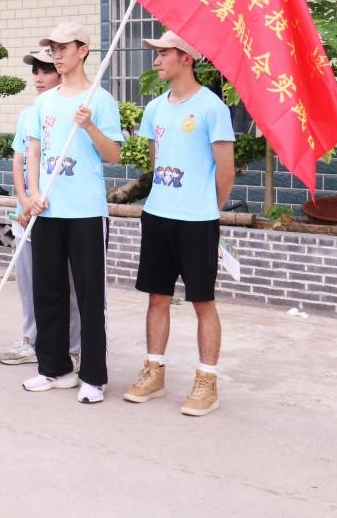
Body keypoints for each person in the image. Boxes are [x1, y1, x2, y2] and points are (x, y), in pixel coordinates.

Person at [124, 31, 235, 416]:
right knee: (157, 297)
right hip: (158, 216)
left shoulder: (212, 107)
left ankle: (207, 382)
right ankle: (153, 372)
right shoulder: (155, 108)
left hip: (197, 221)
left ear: (186, 57)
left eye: (164, 53)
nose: (156, 60)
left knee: (203, 301)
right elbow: (157, 162)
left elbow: (226, 171)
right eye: (156, 53)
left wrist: (207, 207)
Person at [23, 23, 123, 404]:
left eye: (63, 47)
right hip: (48, 211)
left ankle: (94, 376)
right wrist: (34, 193)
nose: (56, 54)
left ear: (83, 50)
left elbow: (114, 155)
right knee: (47, 292)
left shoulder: (101, 99)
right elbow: (34, 150)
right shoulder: (44, 103)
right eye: (53, 48)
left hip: (86, 212)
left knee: (89, 295)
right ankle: (54, 368)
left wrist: (89, 125)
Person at [0, 48, 81, 368]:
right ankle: (32, 340)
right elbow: (20, 160)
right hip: (29, 214)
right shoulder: (29, 114)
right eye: (36, 71)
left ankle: (74, 347)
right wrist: (24, 200)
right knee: (30, 283)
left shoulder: (75, 111)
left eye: (46, 70)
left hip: (63, 213)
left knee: (69, 286)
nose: (39, 77)